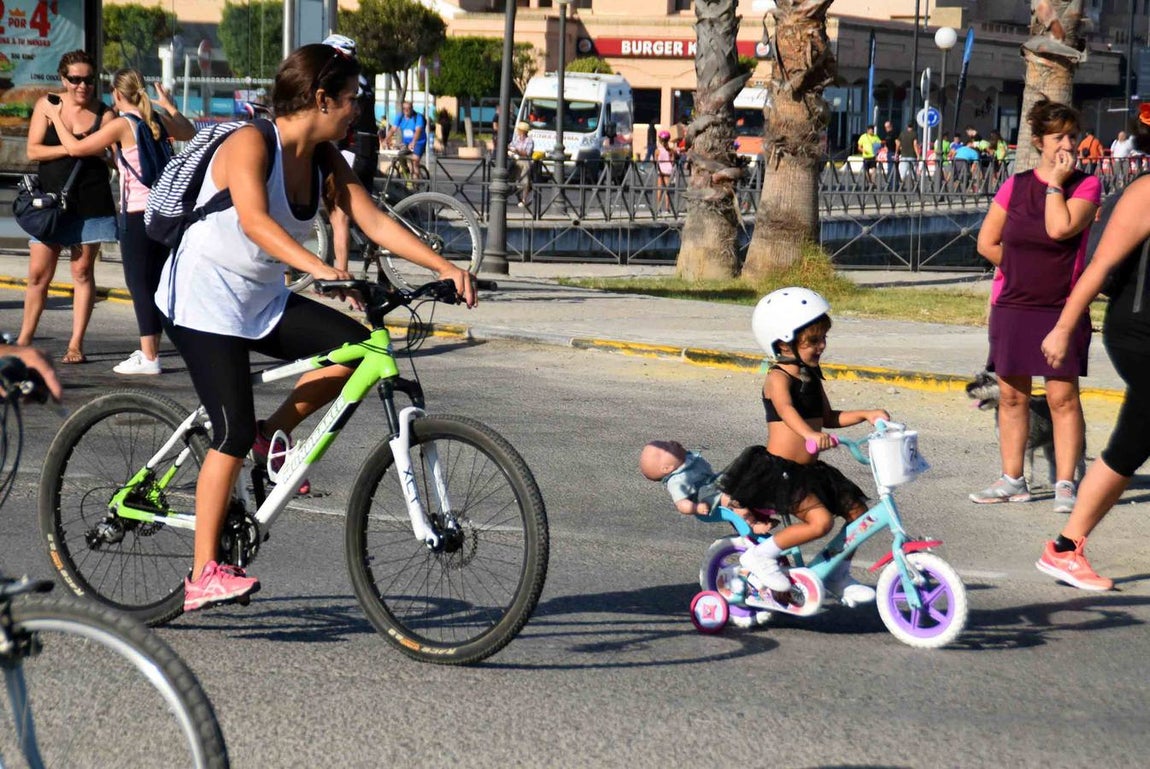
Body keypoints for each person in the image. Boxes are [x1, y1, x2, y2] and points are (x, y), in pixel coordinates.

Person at [154, 43, 477, 612]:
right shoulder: (251, 142)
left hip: (260, 299)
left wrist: (445, 266)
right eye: (351, 98)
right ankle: (203, 571)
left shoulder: (326, 157)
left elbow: (372, 220)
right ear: (321, 98)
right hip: (202, 301)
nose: (357, 109)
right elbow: (254, 220)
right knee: (227, 431)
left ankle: (269, 433)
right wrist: (322, 270)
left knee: (357, 349)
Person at [1036, 110, 1150, 591]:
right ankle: (1064, 548)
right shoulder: (1146, 192)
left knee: (1137, 439)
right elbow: (1101, 264)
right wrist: (1063, 326)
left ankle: (1065, 547)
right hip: (1140, 332)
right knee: (1133, 440)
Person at [971, 97, 1100, 512]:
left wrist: (1055, 184)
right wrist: (1021, 269)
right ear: (1038, 142)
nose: (1068, 143)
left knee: (1063, 399)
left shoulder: (1087, 185)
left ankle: (1065, 483)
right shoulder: (1014, 184)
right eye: (1058, 136)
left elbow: (1058, 227)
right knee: (1011, 398)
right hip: (1013, 305)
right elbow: (987, 242)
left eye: (1072, 135)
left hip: (1060, 309)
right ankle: (1012, 479)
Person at [730, 287, 889, 607]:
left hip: (811, 471)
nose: (821, 346)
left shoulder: (811, 376)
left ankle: (838, 573)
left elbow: (828, 417)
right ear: (783, 342)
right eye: (813, 341)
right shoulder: (777, 377)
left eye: (823, 339)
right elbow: (787, 411)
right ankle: (761, 557)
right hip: (780, 471)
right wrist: (809, 435)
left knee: (860, 514)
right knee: (820, 523)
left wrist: (866, 414)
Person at [44, 68, 195, 375]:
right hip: (163, 214)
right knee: (156, 285)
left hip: (136, 215)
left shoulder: (123, 125)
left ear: (116, 94)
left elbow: (74, 148)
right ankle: (153, 350)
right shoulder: (157, 120)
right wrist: (169, 105)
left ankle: (150, 356)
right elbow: (189, 130)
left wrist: (55, 115)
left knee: (139, 285)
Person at [17, 50, 117, 364]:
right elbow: (34, 149)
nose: (82, 86)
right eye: (75, 79)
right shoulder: (46, 106)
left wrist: (96, 151)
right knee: (38, 275)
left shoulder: (106, 114)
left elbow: (112, 155)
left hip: (91, 201)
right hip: (50, 202)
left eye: (88, 79)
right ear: (64, 79)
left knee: (82, 272)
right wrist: (73, 149)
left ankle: (76, 344)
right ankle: (23, 340)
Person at [321, 34, 378, 276]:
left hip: (352, 148)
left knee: (339, 213)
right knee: (365, 212)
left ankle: (340, 272)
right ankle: (379, 266)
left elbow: (348, 122)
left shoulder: (347, 84)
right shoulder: (361, 80)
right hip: (367, 148)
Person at [639, 440, 776, 536]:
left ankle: (765, 506)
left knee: (740, 475)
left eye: (667, 442)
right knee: (729, 497)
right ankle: (753, 524)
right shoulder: (676, 481)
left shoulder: (687, 459)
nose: (671, 442)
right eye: (667, 448)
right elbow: (681, 504)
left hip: (713, 485)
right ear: (667, 468)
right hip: (704, 500)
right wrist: (696, 508)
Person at [386, 100, 427, 175]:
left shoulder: (418, 117)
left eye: (408, 108)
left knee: (415, 161)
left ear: (412, 108)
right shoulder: (400, 116)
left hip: (419, 142)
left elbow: (418, 131)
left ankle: (416, 183)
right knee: (398, 153)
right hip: (407, 142)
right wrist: (386, 139)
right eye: (404, 108)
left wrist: (414, 142)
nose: (406, 110)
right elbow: (393, 129)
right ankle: (406, 172)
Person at [507, 120, 535, 207]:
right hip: (515, 159)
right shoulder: (516, 139)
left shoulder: (529, 141)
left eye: (519, 130)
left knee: (524, 178)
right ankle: (507, 195)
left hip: (525, 160)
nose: (517, 131)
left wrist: (517, 150)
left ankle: (524, 199)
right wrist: (511, 149)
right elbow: (510, 146)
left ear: (523, 131)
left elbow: (527, 153)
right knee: (509, 176)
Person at [654, 129, 677, 212]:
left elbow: (655, 161)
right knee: (667, 190)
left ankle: (658, 207)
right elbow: (673, 161)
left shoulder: (657, 151)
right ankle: (667, 208)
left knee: (659, 189)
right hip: (668, 170)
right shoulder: (671, 151)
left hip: (660, 170)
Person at [896, 121, 919, 187]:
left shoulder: (902, 134)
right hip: (912, 156)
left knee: (902, 173)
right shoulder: (914, 134)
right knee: (913, 173)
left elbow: (898, 143)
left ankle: (901, 186)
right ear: (913, 126)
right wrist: (918, 155)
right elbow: (915, 144)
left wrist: (897, 153)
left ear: (907, 126)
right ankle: (914, 187)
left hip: (903, 155)